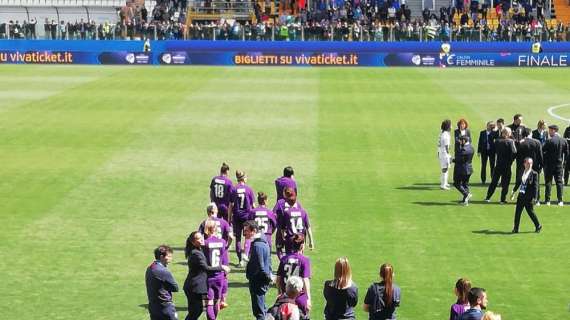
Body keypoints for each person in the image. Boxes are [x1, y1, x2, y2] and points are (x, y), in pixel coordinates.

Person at [183, 231, 230, 320]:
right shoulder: (196, 253)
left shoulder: (198, 250)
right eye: (198, 239)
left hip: (195, 286)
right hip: (194, 287)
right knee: (195, 311)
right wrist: (222, 267)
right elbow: (206, 268)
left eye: (202, 237)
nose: (201, 240)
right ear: (193, 242)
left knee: (196, 311)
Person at [276, 234, 312, 316]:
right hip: (299, 297)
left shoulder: (284, 259)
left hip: (286, 297)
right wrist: (308, 298)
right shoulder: (304, 260)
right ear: (302, 245)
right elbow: (305, 280)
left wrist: (279, 293)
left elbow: (278, 279)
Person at [245, 220, 273, 320]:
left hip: (258, 283)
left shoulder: (258, 246)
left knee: (259, 312)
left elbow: (260, 267)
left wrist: (252, 276)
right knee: (262, 310)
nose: (245, 233)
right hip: (260, 282)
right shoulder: (262, 241)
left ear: (254, 231)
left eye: (247, 231)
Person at [275, 187, 315, 256]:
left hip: (290, 239)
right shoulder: (303, 212)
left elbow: (282, 228)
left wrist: (283, 237)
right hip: (300, 239)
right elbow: (308, 227)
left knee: (290, 259)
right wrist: (311, 241)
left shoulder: (287, 213)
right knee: (299, 258)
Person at [203, 220, 230, 319]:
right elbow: (224, 259)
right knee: (216, 301)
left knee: (209, 302)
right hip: (219, 276)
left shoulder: (204, 244)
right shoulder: (222, 242)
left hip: (208, 276)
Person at [229, 170, 255, 265]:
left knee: (238, 239)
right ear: (243, 178)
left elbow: (231, 206)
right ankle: (246, 255)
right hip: (247, 216)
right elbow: (253, 205)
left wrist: (229, 218)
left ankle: (240, 260)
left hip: (236, 216)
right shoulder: (249, 190)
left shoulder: (234, 189)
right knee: (248, 237)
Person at [145, 245, 179, 320]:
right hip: (165, 307)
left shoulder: (150, 267)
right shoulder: (163, 271)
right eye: (169, 256)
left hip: (153, 306)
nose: (171, 259)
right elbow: (175, 288)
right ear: (161, 257)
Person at [485, 127, 517, 204]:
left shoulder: (497, 141)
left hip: (498, 164)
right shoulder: (510, 141)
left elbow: (492, 151)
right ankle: (502, 199)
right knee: (505, 183)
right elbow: (514, 152)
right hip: (507, 165)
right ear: (508, 133)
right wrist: (511, 160)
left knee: (494, 182)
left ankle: (488, 197)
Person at [510, 128, 543, 201]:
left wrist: (511, 162)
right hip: (534, 165)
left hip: (522, 165)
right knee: (535, 183)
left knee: (520, 181)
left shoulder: (520, 143)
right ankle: (536, 199)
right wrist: (541, 166)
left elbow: (515, 154)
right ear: (530, 133)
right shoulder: (537, 142)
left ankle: (515, 192)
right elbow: (540, 155)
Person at [512, 157, 542, 234]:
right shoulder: (521, 171)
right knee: (517, 213)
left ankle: (538, 225)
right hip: (521, 195)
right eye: (528, 163)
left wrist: (535, 198)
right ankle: (516, 228)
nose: (529, 165)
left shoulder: (534, 174)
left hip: (528, 197)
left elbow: (535, 187)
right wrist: (514, 191)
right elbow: (518, 182)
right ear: (524, 164)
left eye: (531, 163)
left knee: (530, 212)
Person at [543, 124, 568, 206]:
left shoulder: (549, 141)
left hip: (549, 165)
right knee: (559, 182)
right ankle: (560, 200)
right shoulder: (564, 141)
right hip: (559, 164)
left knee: (548, 182)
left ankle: (547, 200)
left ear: (554, 130)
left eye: (550, 130)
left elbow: (543, 150)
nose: (549, 132)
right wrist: (564, 162)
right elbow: (566, 153)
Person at [453, 136, 474, 205]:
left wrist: (452, 160)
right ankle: (465, 201)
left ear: (464, 141)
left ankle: (466, 194)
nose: (459, 142)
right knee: (465, 184)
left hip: (463, 170)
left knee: (456, 183)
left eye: (460, 141)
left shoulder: (463, 149)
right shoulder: (471, 147)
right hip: (469, 169)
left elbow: (460, 160)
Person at [438, 119, 452, 190]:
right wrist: (449, 154)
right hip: (444, 153)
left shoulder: (442, 133)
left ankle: (445, 182)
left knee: (445, 169)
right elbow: (447, 146)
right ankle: (443, 184)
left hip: (440, 152)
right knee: (445, 169)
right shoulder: (446, 135)